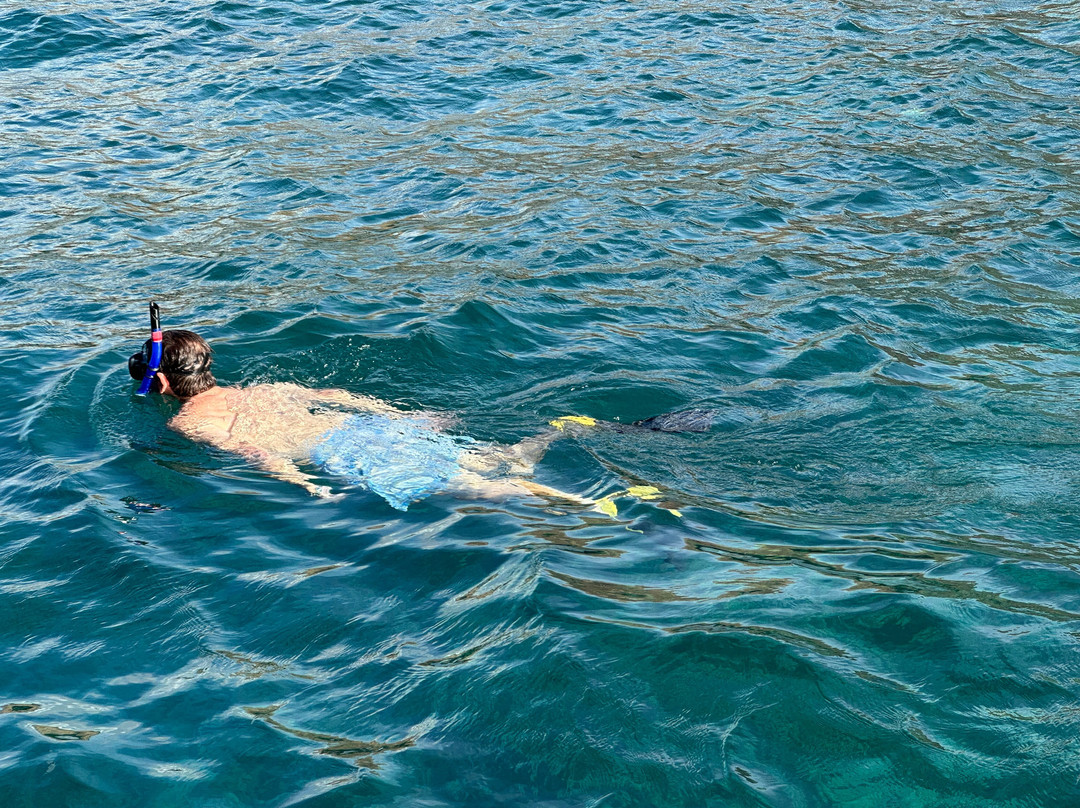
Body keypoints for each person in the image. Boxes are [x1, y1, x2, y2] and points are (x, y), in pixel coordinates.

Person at [128, 329, 597, 510]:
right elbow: (335, 396)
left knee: (480, 490)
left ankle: (596, 509)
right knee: (484, 461)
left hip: (342, 452)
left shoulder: (186, 425)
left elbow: (252, 451)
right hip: (365, 428)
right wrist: (405, 417)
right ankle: (551, 436)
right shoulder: (264, 388)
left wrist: (307, 486)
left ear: (161, 383)